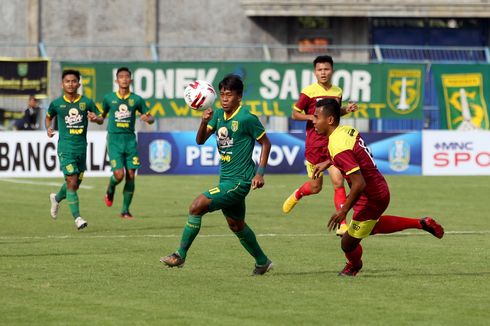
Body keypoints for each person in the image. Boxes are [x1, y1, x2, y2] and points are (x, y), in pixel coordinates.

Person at [311, 98, 444, 276]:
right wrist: (327, 163)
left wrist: (343, 211)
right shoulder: (345, 131)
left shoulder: (338, 144)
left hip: (370, 196)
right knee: (370, 226)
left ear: (330, 120)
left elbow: (359, 183)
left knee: (347, 242)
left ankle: (354, 267)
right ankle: (422, 223)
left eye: (316, 117)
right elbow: (352, 156)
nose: (313, 121)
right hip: (376, 188)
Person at [160, 74, 273, 275]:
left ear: (239, 96)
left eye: (229, 95)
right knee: (236, 225)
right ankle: (262, 261)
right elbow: (200, 140)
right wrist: (203, 122)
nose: (224, 99)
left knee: (196, 206)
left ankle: (180, 255)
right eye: (222, 94)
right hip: (226, 178)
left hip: (240, 181)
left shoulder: (247, 118)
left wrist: (260, 174)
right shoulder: (218, 115)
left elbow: (266, 143)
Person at [282, 55, 357, 237]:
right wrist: (310, 117)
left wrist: (346, 110)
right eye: (320, 70)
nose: (323, 73)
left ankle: (343, 225)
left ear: (332, 70)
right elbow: (294, 113)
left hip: (333, 143)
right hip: (315, 146)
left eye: (326, 69)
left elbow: (333, 114)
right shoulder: (309, 92)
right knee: (316, 188)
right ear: (315, 72)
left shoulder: (337, 91)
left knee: (338, 182)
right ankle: (298, 194)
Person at [93, 67, 154, 219]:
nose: (124, 79)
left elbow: (150, 117)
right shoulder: (109, 98)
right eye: (121, 77)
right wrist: (96, 118)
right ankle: (110, 188)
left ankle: (125, 211)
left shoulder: (137, 99)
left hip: (130, 141)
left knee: (131, 175)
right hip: (114, 140)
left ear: (131, 80)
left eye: (127, 77)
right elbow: (102, 118)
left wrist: (149, 119)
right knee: (119, 175)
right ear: (116, 80)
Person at [46, 69, 101, 230]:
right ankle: (77, 218)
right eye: (67, 81)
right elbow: (48, 116)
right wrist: (48, 128)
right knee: (71, 180)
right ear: (62, 84)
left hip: (81, 149)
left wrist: (96, 118)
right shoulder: (57, 103)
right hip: (65, 148)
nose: (70, 84)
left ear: (79, 83)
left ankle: (56, 198)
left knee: (74, 185)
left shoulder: (87, 102)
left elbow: (100, 118)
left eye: (73, 81)